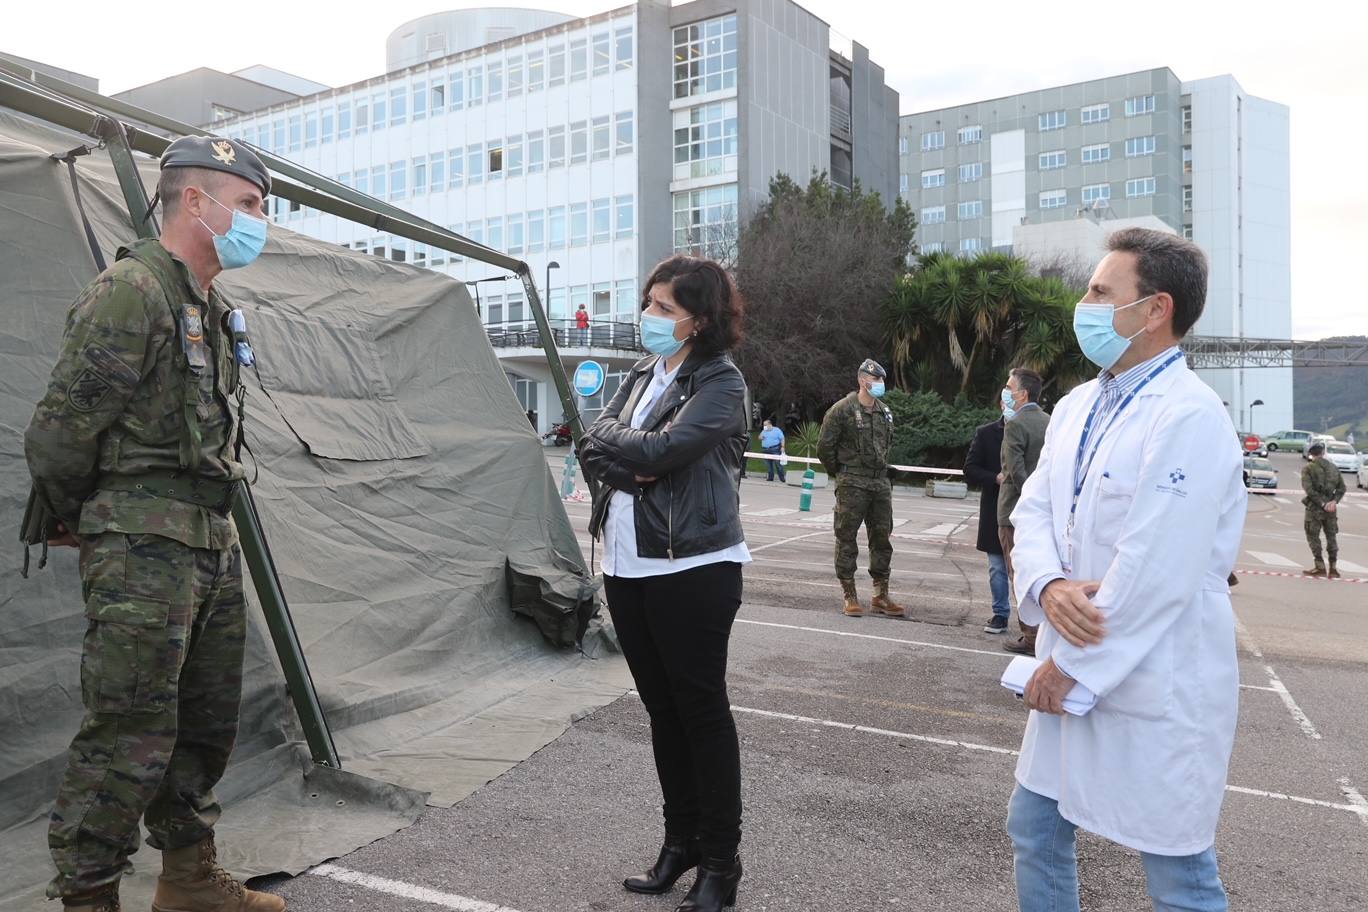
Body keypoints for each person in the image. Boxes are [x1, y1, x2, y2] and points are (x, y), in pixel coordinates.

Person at [24, 137, 284, 912]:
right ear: (196, 203)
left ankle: (188, 878)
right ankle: (89, 895)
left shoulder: (212, 305)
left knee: (204, 726)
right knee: (126, 735)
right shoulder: (131, 291)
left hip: (208, 538)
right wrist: (85, 519)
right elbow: (60, 433)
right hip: (142, 548)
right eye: (250, 205)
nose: (259, 222)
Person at [1007, 228, 1246, 912]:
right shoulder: (1080, 405)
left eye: (1100, 291)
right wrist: (1048, 585)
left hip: (1153, 679)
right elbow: (1034, 511)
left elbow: (1158, 565)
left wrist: (1073, 667)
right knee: (1035, 826)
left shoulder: (1191, 416)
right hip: (1070, 659)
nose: (1083, 302)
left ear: (1155, 309)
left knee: (1178, 872)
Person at [579, 256, 748, 912]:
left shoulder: (721, 383)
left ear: (698, 321)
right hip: (627, 564)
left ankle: (722, 864)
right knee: (663, 713)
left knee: (702, 713)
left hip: (694, 567)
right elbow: (593, 441)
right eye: (647, 303)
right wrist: (633, 458)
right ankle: (680, 845)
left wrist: (635, 452)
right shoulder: (646, 372)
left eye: (661, 308)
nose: (647, 318)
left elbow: (662, 453)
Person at [817, 359, 905, 618]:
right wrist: (842, 472)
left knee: (881, 539)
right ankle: (849, 594)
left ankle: (880, 595)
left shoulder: (885, 412)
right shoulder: (842, 410)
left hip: (879, 483)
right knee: (846, 539)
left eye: (881, 380)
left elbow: (886, 445)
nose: (879, 384)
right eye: (875, 379)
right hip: (852, 482)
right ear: (862, 380)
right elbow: (825, 448)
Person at [998, 367, 1050, 655]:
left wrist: (1028, 497)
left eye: (1009, 387)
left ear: (1022, 393)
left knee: (1019, 573)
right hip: (1043, 512)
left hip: (1015, 511)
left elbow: (1015, 469)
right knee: (1041, 572)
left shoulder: (1016, 424)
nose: (1005, 392)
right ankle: (1043, 632)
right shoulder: (1049, 421)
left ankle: (1031, 636)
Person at [964, 406, 1010, 634]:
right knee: (997, 567)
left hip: (1026, 507)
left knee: (1028, 567)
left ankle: (1032, 621)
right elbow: (970, 469)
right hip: (995, 508)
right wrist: (994, 478)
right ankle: (1000, 613)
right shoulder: (986, 433)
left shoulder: (1040, 427)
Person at [1300, 441, 1344, 577]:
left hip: (1314, 509)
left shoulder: (1308, 468)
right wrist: (1334, 501)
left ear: (1311, 455)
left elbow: (1309, 490)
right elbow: (1342, 488)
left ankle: (1319, 566)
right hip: (1331, 510)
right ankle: (1333, 568)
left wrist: (1322, 503)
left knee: (1313, 536)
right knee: (1331, 536)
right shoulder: (1334, 468)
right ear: (1323, 453)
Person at [759, 418, 787, 483]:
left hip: (775, 449)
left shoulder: (777, 430)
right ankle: (770, 477)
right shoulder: (764, 431)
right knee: (768, 465)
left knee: (778, 464)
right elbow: (759, 437)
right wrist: (761, 437)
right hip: (765, 449)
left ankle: (782, 478)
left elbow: (782, 438)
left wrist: (782, 447)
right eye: (764, 425)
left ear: (769, 424)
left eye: (765, 425)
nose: (764, 426)